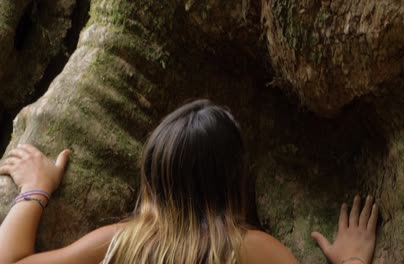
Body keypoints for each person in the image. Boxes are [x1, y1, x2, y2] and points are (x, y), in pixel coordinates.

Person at [0, 99, 378, 264]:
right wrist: (353, 257)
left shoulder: (117, 244)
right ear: (233, 180)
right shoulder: (253, 250)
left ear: (151, 175)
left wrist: (35, 188)